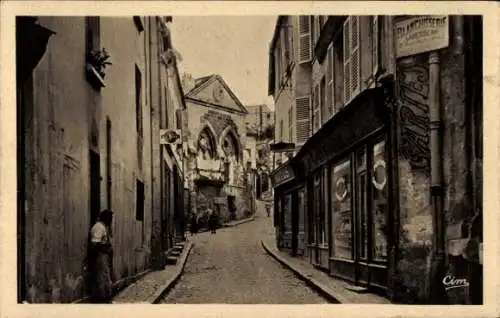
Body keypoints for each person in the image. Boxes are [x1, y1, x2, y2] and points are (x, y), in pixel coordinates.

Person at [89, 209, 115, 303]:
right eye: (110, 218)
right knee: (102, 277)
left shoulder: (104, 227)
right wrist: (105, 248)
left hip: (104, 256)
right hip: (100, 256)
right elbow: (95, 243)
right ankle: (102, 299)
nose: (111, 220)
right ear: (106, 217)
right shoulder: (99, 227)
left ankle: (106, 298)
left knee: (105, 276)